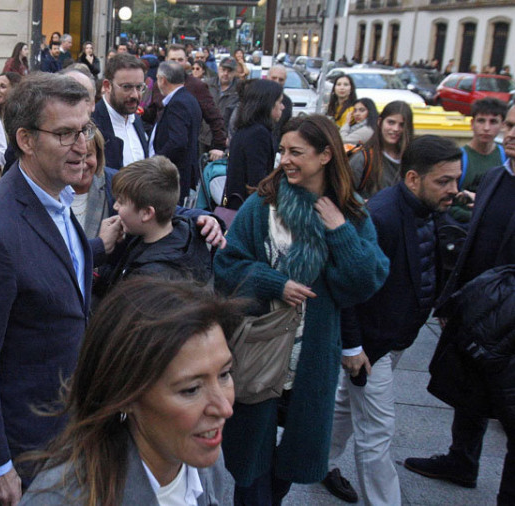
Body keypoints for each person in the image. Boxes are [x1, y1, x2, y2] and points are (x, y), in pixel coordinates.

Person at [0, 73, 123, 505]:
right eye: (64, 133)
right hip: (26, 456)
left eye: (84, 129)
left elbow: (57, 266)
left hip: (69, 433)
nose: (82, 145)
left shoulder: (56, 197)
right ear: (25, 140)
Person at [213, 114, 389, 504]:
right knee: (249, 464)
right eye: (282, 151)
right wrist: (276, 283)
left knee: (292, 461)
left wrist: (340, 230)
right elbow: (227, 266)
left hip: (311, 362)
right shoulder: (264, 205)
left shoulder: (348, 211)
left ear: (326, 155)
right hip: (259, 353)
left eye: (296, 152)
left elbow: (365, 281)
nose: (285, 160)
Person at [324, 136, 463, 505]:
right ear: (413, 178)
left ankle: (314, 460)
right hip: (373, 346)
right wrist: (352, 347)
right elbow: (347, 285)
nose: (454, 190)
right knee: (376, 434)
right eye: (444, 181)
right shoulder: (381, 216)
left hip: (395, 337)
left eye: (456, 180)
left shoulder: (428, 207)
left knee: (345, 405)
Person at [21, 277, 238, 505]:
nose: (224, 408)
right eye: (191, 389)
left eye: (224, 374)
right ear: (124, 396)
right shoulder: (63, 499)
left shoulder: (203, 455)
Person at [403, 103, 515, 506]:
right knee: (469, 394)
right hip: (477, 314)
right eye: (511, 124)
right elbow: (471, 245)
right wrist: (452, 302)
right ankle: (461, 460)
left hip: (510, 326)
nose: (510, 133)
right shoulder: (496, 178)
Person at [100, 156, 212, 294]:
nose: (115, 206)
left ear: (147, 213)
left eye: (121, 202)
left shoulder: (150, 280)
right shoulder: (147, 236)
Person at [142, 45, 227, 154]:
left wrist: (219, 146)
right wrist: (141, 112)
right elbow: (154, 114)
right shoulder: (158, 85)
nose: (176, 63)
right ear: (166, 60)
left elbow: (214, 117)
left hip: (183, 151)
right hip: (159, 148)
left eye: (180, 60)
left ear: (186, 61)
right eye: (173, 60)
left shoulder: (197, 86)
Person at [223, 79, 285, 210]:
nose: (282, 107)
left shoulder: (246, 129)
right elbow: (257, 181)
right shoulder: (258, 134)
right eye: (279, 102)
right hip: (247, 209)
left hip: (238, 205)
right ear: (267, 104)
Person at [149, 61, 202, 203]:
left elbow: (178, 142)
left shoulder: (178, 103)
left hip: (174, 176)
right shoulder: (189, 99)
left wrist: (154, 161)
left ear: (162, 79)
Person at [448, 97, 508, 223]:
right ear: (472, 124)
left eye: (493, 122)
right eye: (481, 121)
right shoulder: (458, 157)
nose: (486, 128)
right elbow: (447, 204)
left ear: (502, 125)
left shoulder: (506, 157)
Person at [91, 53, 149, 170]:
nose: (135, 95)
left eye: (139, 87)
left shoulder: (135, 120)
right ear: (107, 86)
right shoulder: (92, 122)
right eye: (127, 87)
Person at [350, 100, 414, 199]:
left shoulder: (413, 160)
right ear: (380, 122)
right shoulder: (363, 158)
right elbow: (345, 195)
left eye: (402, 125)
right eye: (391, 122)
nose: (396, 129)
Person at [266, 65, 294, 147]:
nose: (277, 81)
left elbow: (285, 126)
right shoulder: (256, 97)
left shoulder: (287, 102)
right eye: (274, 78)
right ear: (267, 78)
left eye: (281, 79)